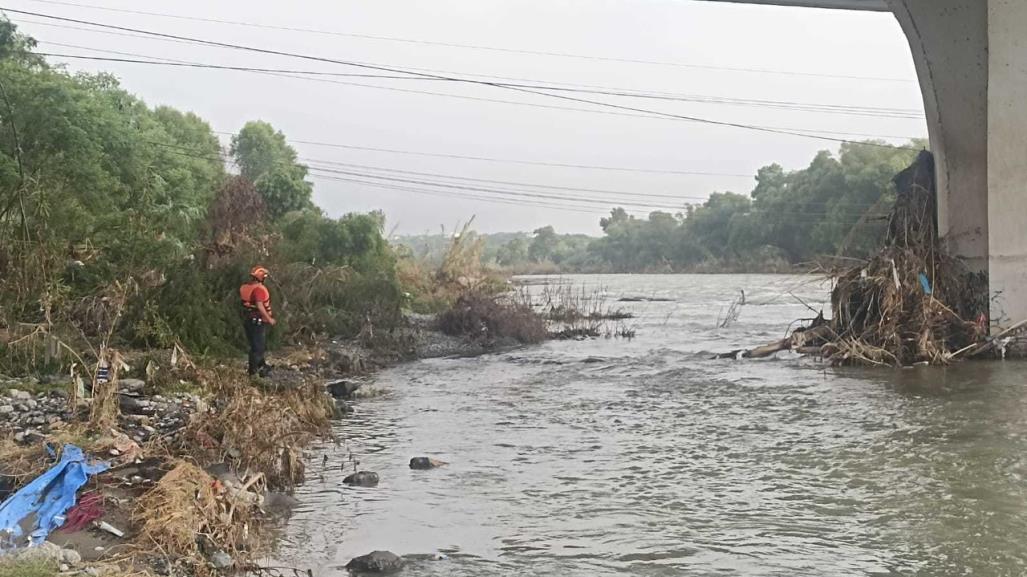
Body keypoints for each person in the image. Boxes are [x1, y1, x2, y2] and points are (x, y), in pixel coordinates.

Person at [240, 265, 275, 376]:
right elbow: (260, 306)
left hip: (249, 321)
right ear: (261, 277)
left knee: (256, 345)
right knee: (258, 348)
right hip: (257, 322)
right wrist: (269, 319)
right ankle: (253, 372)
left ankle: (262, 365)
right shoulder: (259, 290)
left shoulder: (245, 287)